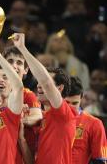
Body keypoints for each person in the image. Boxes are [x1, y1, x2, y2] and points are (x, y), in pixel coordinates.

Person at [12, 33, 77, 164]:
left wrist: (22, 49)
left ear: (59, 88)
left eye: (45, 84)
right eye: (38, 83)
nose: (39, 85)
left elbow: (46, 81)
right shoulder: (44, 117)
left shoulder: (63, 113)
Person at [0, 46, 42, 164]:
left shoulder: (27, 95)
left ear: (26, 70)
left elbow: (38, 116)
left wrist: (17, 118)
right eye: (10, 61)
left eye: (19, 63)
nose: (14, 66)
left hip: (19, 155)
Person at [65, 77, 107, 164]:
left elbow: (100, 161)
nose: (70, 107)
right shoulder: (48, 119)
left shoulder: (94, 124)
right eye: (67, 103)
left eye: (75, 103)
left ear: (82, 98)